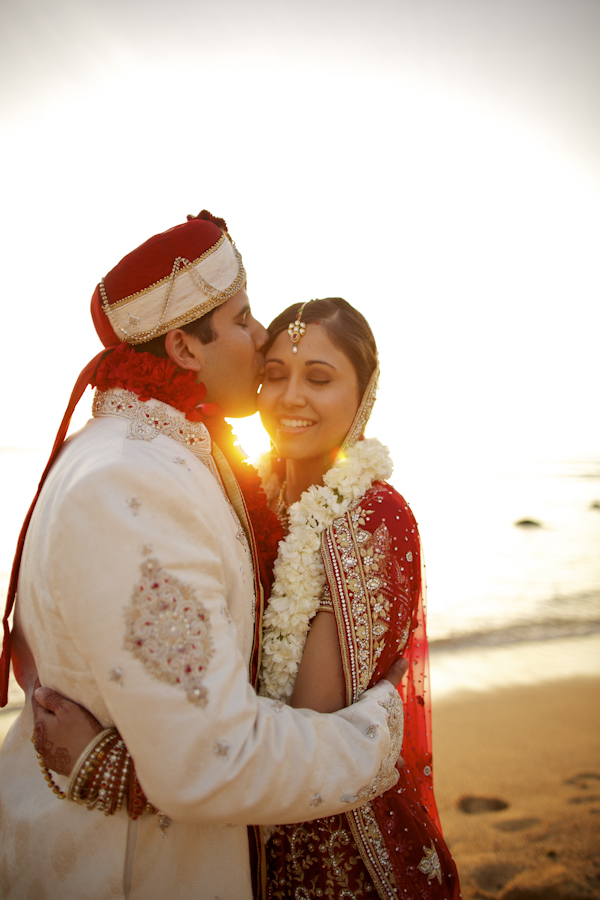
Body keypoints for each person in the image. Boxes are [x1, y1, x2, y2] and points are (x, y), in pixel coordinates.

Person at [0, 214, 407, 900]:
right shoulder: (131, 481)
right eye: (245, 319)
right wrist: (376, 733)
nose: (259, 337)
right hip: (125, 869)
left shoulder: (156, 451)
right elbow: (208, 764)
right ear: (186, 349)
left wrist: (118, 761)